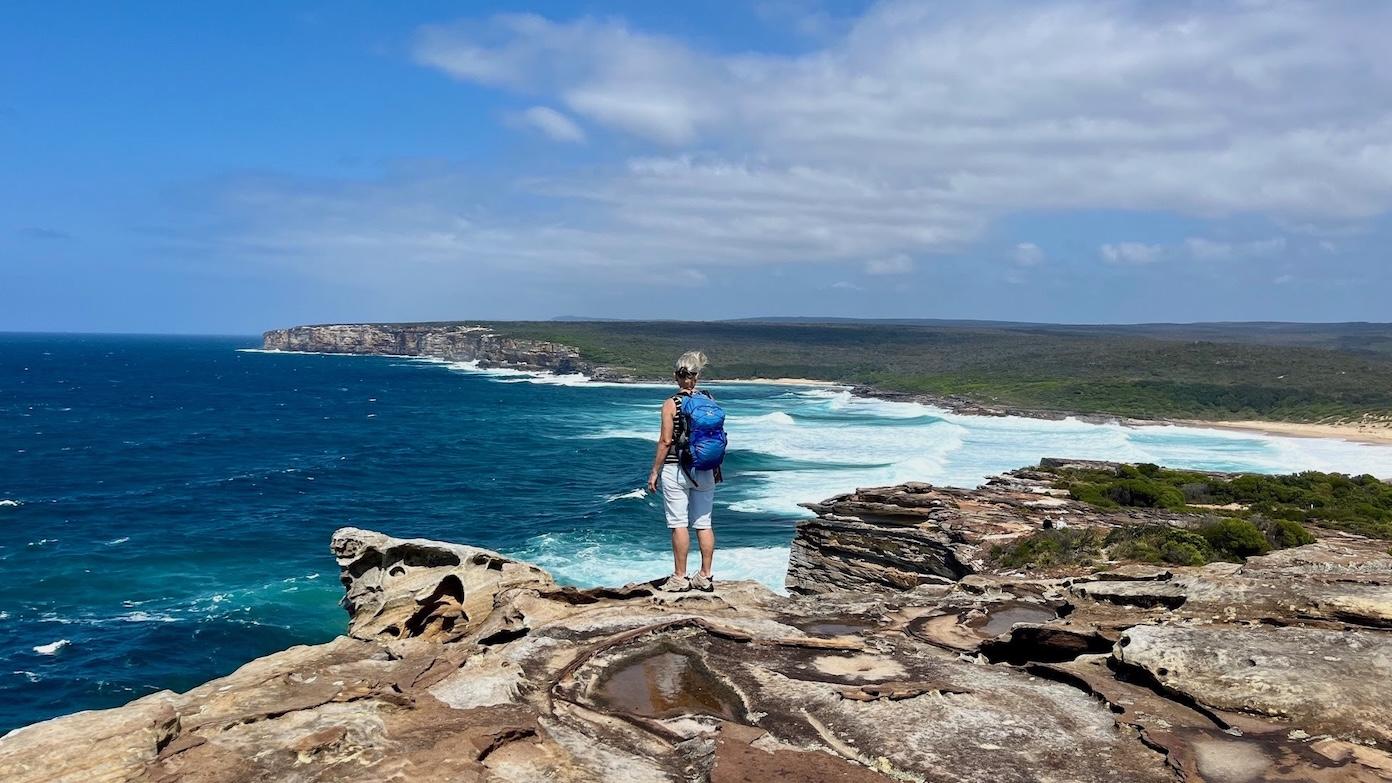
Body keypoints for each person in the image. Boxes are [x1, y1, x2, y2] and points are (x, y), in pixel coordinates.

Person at [646, 350, 719, 592]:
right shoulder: (709, 400)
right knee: (703, 523)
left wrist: (654, 472)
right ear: (696, 377)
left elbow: (666, 441)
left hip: (677, 469)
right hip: (706, 469)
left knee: (679, 523)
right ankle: (705, 576)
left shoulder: (671, 403)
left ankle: (680, 578)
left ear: (676, 376)